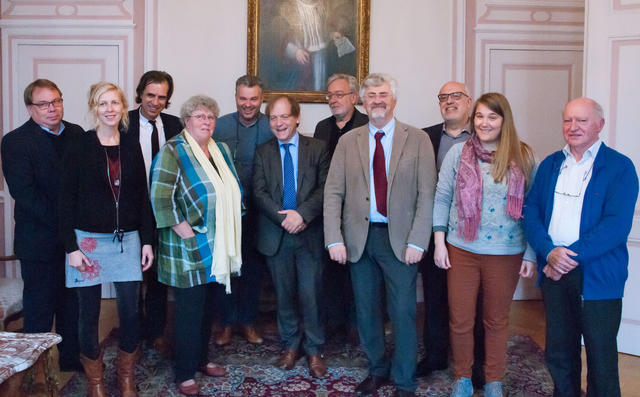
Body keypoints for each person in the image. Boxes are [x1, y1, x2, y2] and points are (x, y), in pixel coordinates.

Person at [324, 73, 436, 397]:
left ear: (394, 100)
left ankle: (404, 381)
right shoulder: (349, 141)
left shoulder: (417, 139)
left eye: (383, 94)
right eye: (371, 95)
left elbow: (426, 193)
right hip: (359, 239)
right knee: (366, 311)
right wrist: (334, 238)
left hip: (401, 241)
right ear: (362, 101)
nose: (377, 100)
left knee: (403, 312)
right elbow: (333, 192)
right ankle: (377, 369)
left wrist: (418, 240)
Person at [523, 97, 638, 397]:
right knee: (559, 351)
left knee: (601, 356)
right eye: (568, 120)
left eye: (582, 120)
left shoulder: (620, 167)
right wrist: (549, 252)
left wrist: (566, 257)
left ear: (600, 125)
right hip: (554, 272)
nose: (573, 127)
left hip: (597, 276)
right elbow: (531, 210)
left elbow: (615, 226)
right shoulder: (550, 164)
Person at [432, 92, 536, 397]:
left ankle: (493, 382)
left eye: (492, 117)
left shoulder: (524, 156)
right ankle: (462, 378)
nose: (484, 123)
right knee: (461, 319)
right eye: (479, 116)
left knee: (495, 320)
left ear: (504, 120)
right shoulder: (457, 153)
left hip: (506, 253)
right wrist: (439, 243)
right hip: (462, 249)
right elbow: (442, 198)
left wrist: (531, 252)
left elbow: (533, 207)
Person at [60, 82, 155, 397]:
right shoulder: (79, 145)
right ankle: (96, 382)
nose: (110, 109)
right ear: (93, 108)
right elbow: (64, 201)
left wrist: (146, 240)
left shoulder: (130, 145)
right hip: (86, 243)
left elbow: (143, 196)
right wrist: (70, 247)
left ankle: (125, 376)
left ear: (123, 106)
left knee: (130, 311)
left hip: (127, 241)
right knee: (88, 314)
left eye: (115, 102)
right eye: (103, 103)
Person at [150, 95, 242, 396]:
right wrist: (187, 232)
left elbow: (232, 188)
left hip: (218, 243)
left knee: (207, 309)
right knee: (189, 310)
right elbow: (161, 198)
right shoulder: (173, 150)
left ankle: (202, 359)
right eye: (200, 116)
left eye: (211, 117)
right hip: (186, 246)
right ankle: (184, 371)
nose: (207, 122)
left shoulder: (221, 149)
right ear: (186, 120)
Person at [1, 79, 82, 372]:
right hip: (38, 241)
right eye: (44, 104)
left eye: (57, 101)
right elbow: (24, 194)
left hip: (74, 242)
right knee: (39, 310)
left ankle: (70, 361)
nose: (52, 109)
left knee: (72, 306)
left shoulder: (77, 135)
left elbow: (83, 187)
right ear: (30, 108)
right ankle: (34, 371)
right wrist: (66, 224)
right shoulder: (14, 141)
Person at [253, 94, 330, 378]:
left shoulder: (318, 148)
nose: (279, 122)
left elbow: (325, 188)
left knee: (311, 295)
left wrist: (301, 215)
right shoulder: (263, 152)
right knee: (284, 297)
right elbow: (258, 192)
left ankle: (314, 350)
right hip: (277, 235)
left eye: (284, 116)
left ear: (297, 118)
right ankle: (290, 346)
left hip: (309, 234)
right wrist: (283, 217)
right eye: (273, 117)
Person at [418, 81, 486, 386]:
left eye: (455, 96)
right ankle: (434, 355)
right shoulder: (424, 137)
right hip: (433, 231)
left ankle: (477, 363)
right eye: (443, 97)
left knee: (475, 302)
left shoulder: (485, 134)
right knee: (434, 297)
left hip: (472, 235)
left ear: (469, 102)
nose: (449, 101)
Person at [212, 75, 272, 345]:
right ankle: (225, 323)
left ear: (262, 98)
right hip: (225, 211)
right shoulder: (218, 125)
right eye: (242, 98)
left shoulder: (273, 126)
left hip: (260, 212)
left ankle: (247, 321)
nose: (248, 104)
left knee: (252, 268)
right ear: (235, 97)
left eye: (254, 99)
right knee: (226, 267)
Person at [128, 70, 183, 356]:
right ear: (140, 94)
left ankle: (156, 333)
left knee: (159, 276)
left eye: (162, 97)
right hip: (131, 210)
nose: (156, 102)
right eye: (151, 95)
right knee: (133, 277)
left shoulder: (174, 124)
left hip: (163, 207)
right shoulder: (124, 123)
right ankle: (132, 335)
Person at [313, 73, 368, 343]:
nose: (333, 100)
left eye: (339, 94)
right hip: (330, 210)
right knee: (331, 271)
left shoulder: (368, 125)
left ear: (354, 97)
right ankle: (335, 325)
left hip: (360, 212)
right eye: (330, 95)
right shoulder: (322, 128)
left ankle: (357, 326)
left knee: (358, 272)